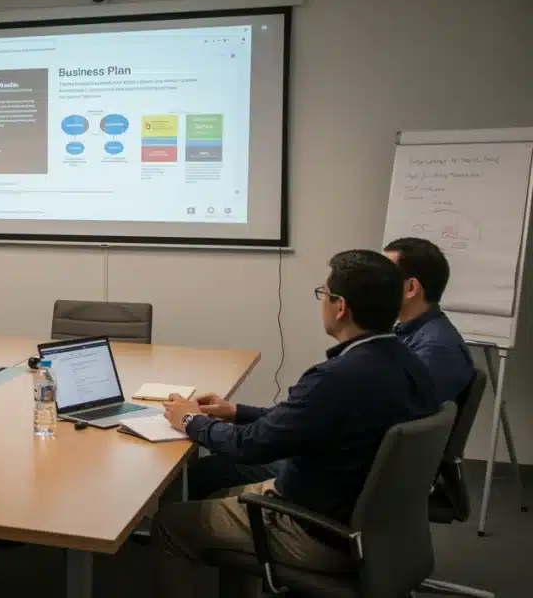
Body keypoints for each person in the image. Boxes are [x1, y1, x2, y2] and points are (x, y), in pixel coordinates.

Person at [152, 250, 439, 598]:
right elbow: (305, 422)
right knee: (211, 489)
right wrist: (236, 411)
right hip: (375, 527)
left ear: (340, 306)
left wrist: (190, 421)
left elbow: (250, 447)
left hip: (315, 529)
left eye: (324, 293)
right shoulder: (409, 363)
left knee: (171, 523)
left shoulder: (337, 378)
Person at [384, 237, 474, 404]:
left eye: (384, 277)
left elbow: (393, 409)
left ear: (411, 288)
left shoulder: (436, 349)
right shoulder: (409, 332)